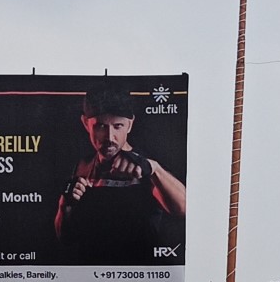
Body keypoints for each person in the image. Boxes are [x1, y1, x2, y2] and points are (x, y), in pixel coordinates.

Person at [54, 85, 186, 264]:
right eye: (100, 126)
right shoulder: (82, 166)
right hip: (91, 275)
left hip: (140, 278)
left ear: (130, 124)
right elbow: (65, 237)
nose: (110, 136)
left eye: (118, 126)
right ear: (86, 123)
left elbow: (183, 209)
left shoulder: (148, 162)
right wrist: (65, 206)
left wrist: (154, 169)